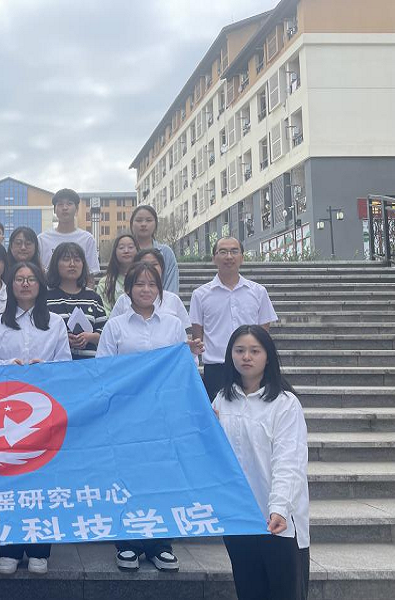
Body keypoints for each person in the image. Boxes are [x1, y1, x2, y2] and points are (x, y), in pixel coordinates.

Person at [96, 263, 203, 573]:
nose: (146, 289)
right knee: (126, 476)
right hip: (125, 415)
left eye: (152, 284)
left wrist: (190, 353)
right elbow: (103, 368)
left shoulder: (172, 325)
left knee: (161, 476)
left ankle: (160, 544)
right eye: (139, 284)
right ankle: (127, 543)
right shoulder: (115, 326)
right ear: (128, 289)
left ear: (160, 289)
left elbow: (182, 367)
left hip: (162, 414)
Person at [0, 261, 71, 576]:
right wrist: (9, 364)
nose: (25, 283)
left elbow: (66, 365)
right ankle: (9, 548)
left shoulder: (55, 322)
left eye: (31, 278)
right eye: (19, 279)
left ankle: (39, 549)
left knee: (41, 480)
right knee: (8, 480)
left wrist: (43, 367)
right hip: (7, 410)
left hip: (45, 412)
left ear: (40, 285)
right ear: (11, 285)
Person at [213, 325, 310, 600]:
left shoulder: (285, 403)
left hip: (278, 521)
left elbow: (289, 460)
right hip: (239, 518)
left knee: (284, 592)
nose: (246, 357)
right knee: (249, 590)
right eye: (239, 350)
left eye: (255, 351)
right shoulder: (222, 400)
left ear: (268, 357)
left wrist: (279, 507)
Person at [190, 237, 277, 400]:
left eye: (234, 251)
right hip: (216, 368)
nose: (229, 256)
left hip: (250, 366)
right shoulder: (200, 295)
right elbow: (197, 335)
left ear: (242, 257)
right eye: (223, 252)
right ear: (214, 258)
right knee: (217, 413)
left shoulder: (258, 292)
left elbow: (263, 334)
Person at [46, 242, 107, 359]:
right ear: (55, 264)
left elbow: (105, 333)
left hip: (89, 363)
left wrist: (90, 337)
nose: (72, 264)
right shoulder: (45, 297)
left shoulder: (93, 298)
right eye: (66, 259)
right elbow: (38, 333)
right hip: (57, 364)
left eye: (77, 260)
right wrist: (62, 339)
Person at [111, 249, 190, 330]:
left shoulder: (173, 300)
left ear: (162, 268)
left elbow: (185, 331)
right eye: (144, 264)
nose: (149, 268)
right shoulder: (123, 300)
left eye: (154, 264)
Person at [38, 189, 100, 275]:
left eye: (69, 203)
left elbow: (91, 274)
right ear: (54, 210)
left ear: (77, 209)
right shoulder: (42, 239)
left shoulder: (87, 239)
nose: (65, 208)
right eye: (60, 204)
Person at [130, 205, 179, 293]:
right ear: (132, 224)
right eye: (139, 220)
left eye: (149, 220)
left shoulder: (166, 252)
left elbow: (172, 285)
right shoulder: (127, 252)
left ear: (155, 224)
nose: (143, 224)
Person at [96, 233, 138, 316]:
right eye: (121, 248)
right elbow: (104, 312)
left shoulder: (144, 280)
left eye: (130, 247)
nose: (126, 251)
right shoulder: (105, 283)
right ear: (115, 252)